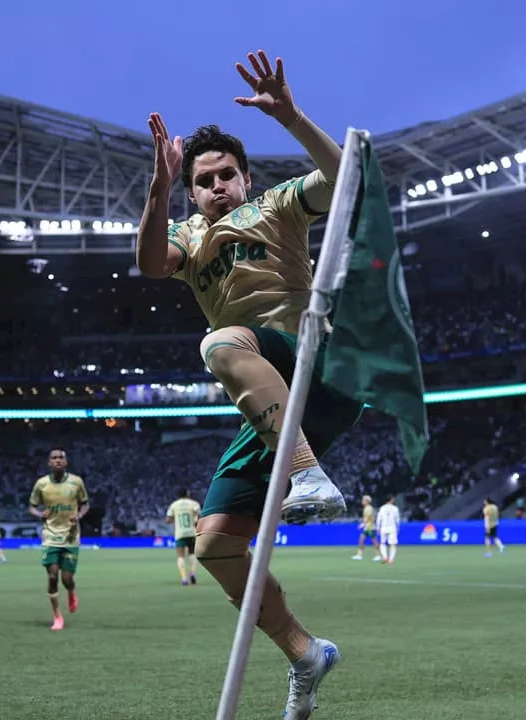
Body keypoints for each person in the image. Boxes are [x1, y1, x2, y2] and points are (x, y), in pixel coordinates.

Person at [136, 49, 358, 719]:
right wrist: (158, 184)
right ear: (192, 190)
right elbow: (149, 263)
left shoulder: (277, 206)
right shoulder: (188, 237)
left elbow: (348, 178)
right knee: (215, 545)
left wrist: (290, 115)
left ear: (245, 176)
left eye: (228, 174)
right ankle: (305, 652)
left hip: (318, 367)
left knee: (219, 341)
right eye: (204, 180)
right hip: (261, 395)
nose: (218, 186)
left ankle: (307, 477)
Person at [28, 447, 90, 630]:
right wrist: (39, 514)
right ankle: (57, 617)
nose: (57, 461)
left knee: (67, 579)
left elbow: (85, 504)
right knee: (53, 576)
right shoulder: (41, 484)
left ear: (66, 462)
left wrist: (79, 514)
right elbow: (31, 506)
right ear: (49, 462)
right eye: (54, 458)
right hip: (50, 536)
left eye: (60, 458)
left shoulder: (76, 482)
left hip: (71, 536)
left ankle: (71, 590)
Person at [166, 488, 202, 585]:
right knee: (192, 554)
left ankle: (184, 578)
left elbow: (168, 520)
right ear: (187, 493)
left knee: (180, 556)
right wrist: (195, 522)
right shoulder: (193, 504)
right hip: (192, 533)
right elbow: (199, 515)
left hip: (180, 533)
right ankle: (192, 573)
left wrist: (175, 519)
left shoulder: (174, 505)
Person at [351, 495, 382, 562]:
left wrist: (363, 524)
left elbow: (370, 517)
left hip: (370, 528)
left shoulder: (369, 508)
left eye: (364, 500)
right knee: (361, 540)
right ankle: (359, 555)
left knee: (374, 541)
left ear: (367, 501)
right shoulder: (366, 508)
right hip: (366, 528)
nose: (362, 501)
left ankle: (378, 555)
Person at [376, 496, 400, 565]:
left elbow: (379, 518)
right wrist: (398, 528)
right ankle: (391, 559)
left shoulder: (382, 508)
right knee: (393, 544)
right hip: (392, 528)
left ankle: (384, 557)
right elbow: (397, 519)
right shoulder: (395, 508)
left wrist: (378, 527)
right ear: (391, 500)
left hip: (384, 527)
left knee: (382, 543)